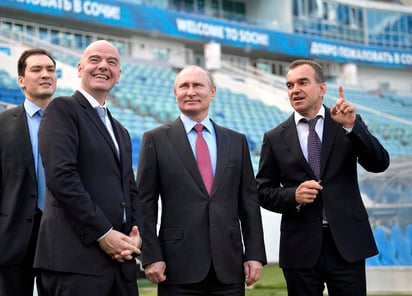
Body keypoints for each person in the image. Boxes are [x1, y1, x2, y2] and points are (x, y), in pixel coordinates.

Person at [256, 59, 390, 296]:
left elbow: (379, 163)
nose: (295, 89)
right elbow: (262, 191)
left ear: (322, 89)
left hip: (347, 244)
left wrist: (352, 128)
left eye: (302, 82)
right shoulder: (274, 137)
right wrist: (293, 195)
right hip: (300, 247)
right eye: (289, 85)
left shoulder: (346, 122)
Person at [136, 65, 267, 295]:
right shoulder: (155, 140)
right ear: (175, 92)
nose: (190, 91)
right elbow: (145, 205)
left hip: (229, 267)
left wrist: (255, 254)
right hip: (176, 268)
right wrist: (151, 256)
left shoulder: (236, 141)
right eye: (183, 86)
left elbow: (248, 202)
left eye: (197, 85)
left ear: (213, 92)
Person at [33, 40, 142, 296]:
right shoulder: (62, 109)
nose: (103, 66)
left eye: (112, 62)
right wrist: (104, 233)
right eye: (95, 60)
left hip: (121, 262)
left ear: (119, 76)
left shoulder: (121, 131)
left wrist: (136, 237)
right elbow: (61, 178)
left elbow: (131, 189)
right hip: (75, 261)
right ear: (80, 68)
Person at [0, 48, 57, 296]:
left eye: (50, 70)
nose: (45, 74)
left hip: (61, 238)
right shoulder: (2, 124)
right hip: (11, 239)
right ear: (21, 80)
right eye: (36, 69)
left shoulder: (74, 123)